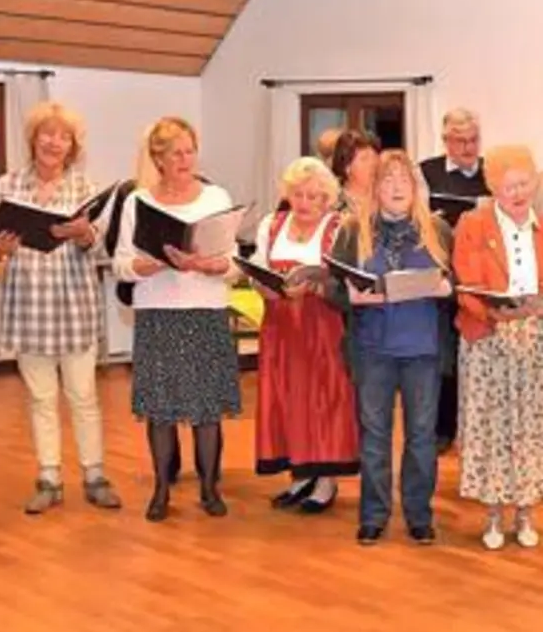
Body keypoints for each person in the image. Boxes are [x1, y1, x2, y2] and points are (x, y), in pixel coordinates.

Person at [0, 101, 122, 515]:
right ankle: (49, 478)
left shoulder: (83, 187)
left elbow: (97, 244)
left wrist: (83, 235)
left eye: (64, 136)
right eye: (48, 133)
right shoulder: (8, 184)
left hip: (75, 306)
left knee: (83, 396)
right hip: (28, 308)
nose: (54, 142)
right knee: (41, 398)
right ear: (33, 138)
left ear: (73, 145)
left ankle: (94, 476)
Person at [113, 117, 241, 522]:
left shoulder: (215, 196)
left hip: (205, 310)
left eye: (190, 150)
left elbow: (234, 263)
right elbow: (119, 264)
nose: (186, 159)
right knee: (160, 407)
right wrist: (147, 265)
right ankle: (161, 489)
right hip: (158, 312)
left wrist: (205, 263)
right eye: (176, 153)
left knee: (206, 408)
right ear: (158, 158)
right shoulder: (138, 202)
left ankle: (209, 488)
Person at [451, 146, 543, 550]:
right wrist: (494, 313)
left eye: (523, 184)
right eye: (508, 187)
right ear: (493, 189)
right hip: (489, 339)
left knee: (531, 428)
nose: (517, 193)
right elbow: (465, 283)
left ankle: (526, 511)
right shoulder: (473, 224)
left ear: (534, 182)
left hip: (536, 339)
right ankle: (491, 513)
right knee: (491, 428)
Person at [330, 150, 453, 546]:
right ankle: (374, 514)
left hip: (423, 349)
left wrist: (446, 289)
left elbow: (457, 285)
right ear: (375, 188)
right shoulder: (353, 230)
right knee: (375, 434)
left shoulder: (437, 230)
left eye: (404, 180)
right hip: (373, 349)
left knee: (421, 435)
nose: (397, 187)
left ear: (415, 187)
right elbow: (334, 288)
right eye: (387, 180)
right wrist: (352, 297)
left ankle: (419, 514)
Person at [250, 157, 360, 512]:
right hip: (279, 324)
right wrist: (261, 286)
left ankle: (325, 481)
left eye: (314, 196)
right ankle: (299, 474)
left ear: (327, 198)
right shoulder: (272, 224)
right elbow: (257, 266)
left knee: (323, 399)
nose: (305, 203)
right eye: (298, 194)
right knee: (287, 398)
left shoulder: (338, 227)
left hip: (321, 324)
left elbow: (345, 279)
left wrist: (314, 285)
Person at [418, 108, 485, 455]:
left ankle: (475, 428)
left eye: (473, 139)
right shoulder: (427, 172)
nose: (468, 147)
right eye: (460, 141)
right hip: (442, 274)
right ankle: (442, 428)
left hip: (478, 276)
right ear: (446, 141)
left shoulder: (490, 173)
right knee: (443, 354)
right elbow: (419, 223)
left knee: (476, 352)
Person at [330, 128, 382, 219]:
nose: (373, 164)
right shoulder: (333, 204)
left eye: (375, 157)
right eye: (364, 159)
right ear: (347, 166)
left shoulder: (385, 198)